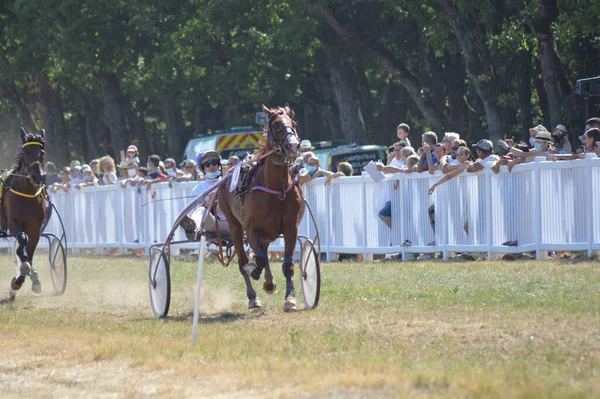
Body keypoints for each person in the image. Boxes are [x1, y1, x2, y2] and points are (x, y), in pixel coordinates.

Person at [180, 150, 228, 239]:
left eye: (214, 163)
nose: (212, 166)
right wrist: (206, 203)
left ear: (219, 165)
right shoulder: (198, 189)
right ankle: (192, 228)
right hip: (212, 224)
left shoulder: (229, 183)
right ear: (203, 169)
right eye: (207, 165)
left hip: (233, 222)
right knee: (201, 210)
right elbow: (192, 211)